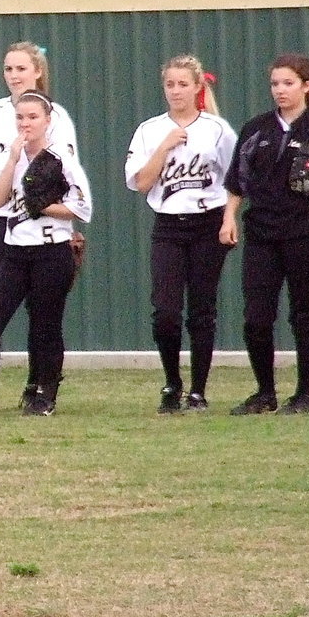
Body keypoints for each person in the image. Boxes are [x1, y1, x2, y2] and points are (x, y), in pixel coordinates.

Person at [221, 54, 309, 415]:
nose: (279, 90)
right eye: (275, 84)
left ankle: (304, 395)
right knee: (256, 316)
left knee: (303, 313)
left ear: (306, 86)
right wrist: (229, 217)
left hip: (308, 233)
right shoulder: (256, 130)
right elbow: (237, 182)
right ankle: (264, 392)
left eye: (288, 83)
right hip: (263, 232)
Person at [0, 89, 93, 417]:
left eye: (33, 117)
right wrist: (11, 159)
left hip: (52, 251)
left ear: (47, 121)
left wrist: (47, 207)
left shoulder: (60, 160)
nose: (26, 123)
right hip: (15, 252)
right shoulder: (8, 158)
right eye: (20, 117)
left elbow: (82, 207)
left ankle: (44, 393)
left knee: (45, 324)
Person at [0, 42, 81, 408]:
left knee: (44, 312)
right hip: (7, 221)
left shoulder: (56, 115)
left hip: (45, 225)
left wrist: (71, 226)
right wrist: (16, 160)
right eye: (8, 69)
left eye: (21, 69)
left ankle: (39, 389)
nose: (14, 76)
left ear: (37, 72)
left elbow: (63, 172)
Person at [124, 55, 236, 413]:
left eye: (182, 84)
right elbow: (141, 183)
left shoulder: (217, 129)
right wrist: (165, 146)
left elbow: (236, 180)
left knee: (202, 309)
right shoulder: (150, 130)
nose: (175, 91)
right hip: (169, 225)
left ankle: (198, 390)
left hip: (207, 222)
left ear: (197, 87)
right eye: (170, 84)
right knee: (166, 312)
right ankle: (172, 383)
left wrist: (230, 218)